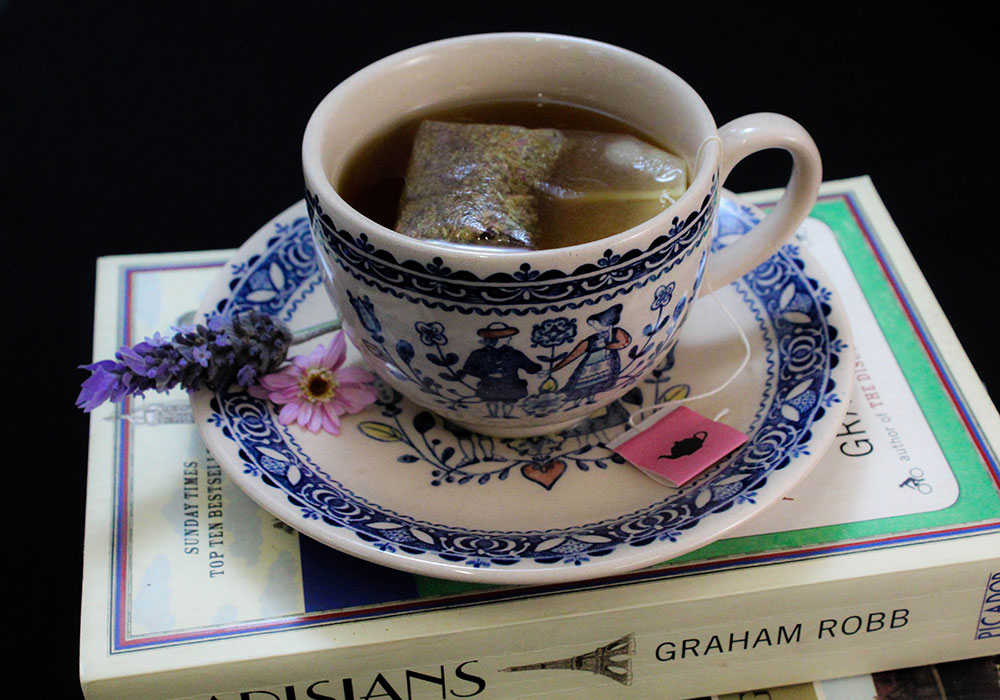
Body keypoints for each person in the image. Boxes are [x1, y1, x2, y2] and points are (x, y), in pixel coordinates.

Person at [552, 304, 632, 407]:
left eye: (594, 323)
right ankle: (576, 403)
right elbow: (575, 354)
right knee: (582, 385)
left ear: (605, 322)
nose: (592, 326)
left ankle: (588, 400)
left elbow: (625, 342)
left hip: (607, 365)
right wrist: (555, 368)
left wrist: (609, 346)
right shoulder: (592, 339)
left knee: (600, 385)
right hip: (588, 368)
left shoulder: (615, 333)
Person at [462, 322, 543, 418]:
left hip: (511, 384)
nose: (510, 339)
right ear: (497, 339)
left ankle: (507, 415)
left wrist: (540, 369)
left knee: (509, 401)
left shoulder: (514, 354)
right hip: (490, 384)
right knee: (491, 400)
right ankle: (493, 415)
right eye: (507, 336)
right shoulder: (479, 354)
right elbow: (468, 368)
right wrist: (486, 375)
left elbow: (529, 366)